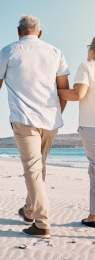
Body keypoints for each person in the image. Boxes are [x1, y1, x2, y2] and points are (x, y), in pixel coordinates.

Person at [0, 15, 70, 238]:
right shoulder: (56, 52)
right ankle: (30, 210)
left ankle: (42, 223)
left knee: (33, 169)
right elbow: (64, 90)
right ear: (39, 33)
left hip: (24, 119)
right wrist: (56, 114)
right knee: (38, 167)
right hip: (51, 120)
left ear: (19, 31)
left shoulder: (8, 51)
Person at [58, 37, 95, 228]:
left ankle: (94, 217)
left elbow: (77, 94)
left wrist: (55, 91)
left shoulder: (87, 66)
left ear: (92, 49)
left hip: (92, 126)